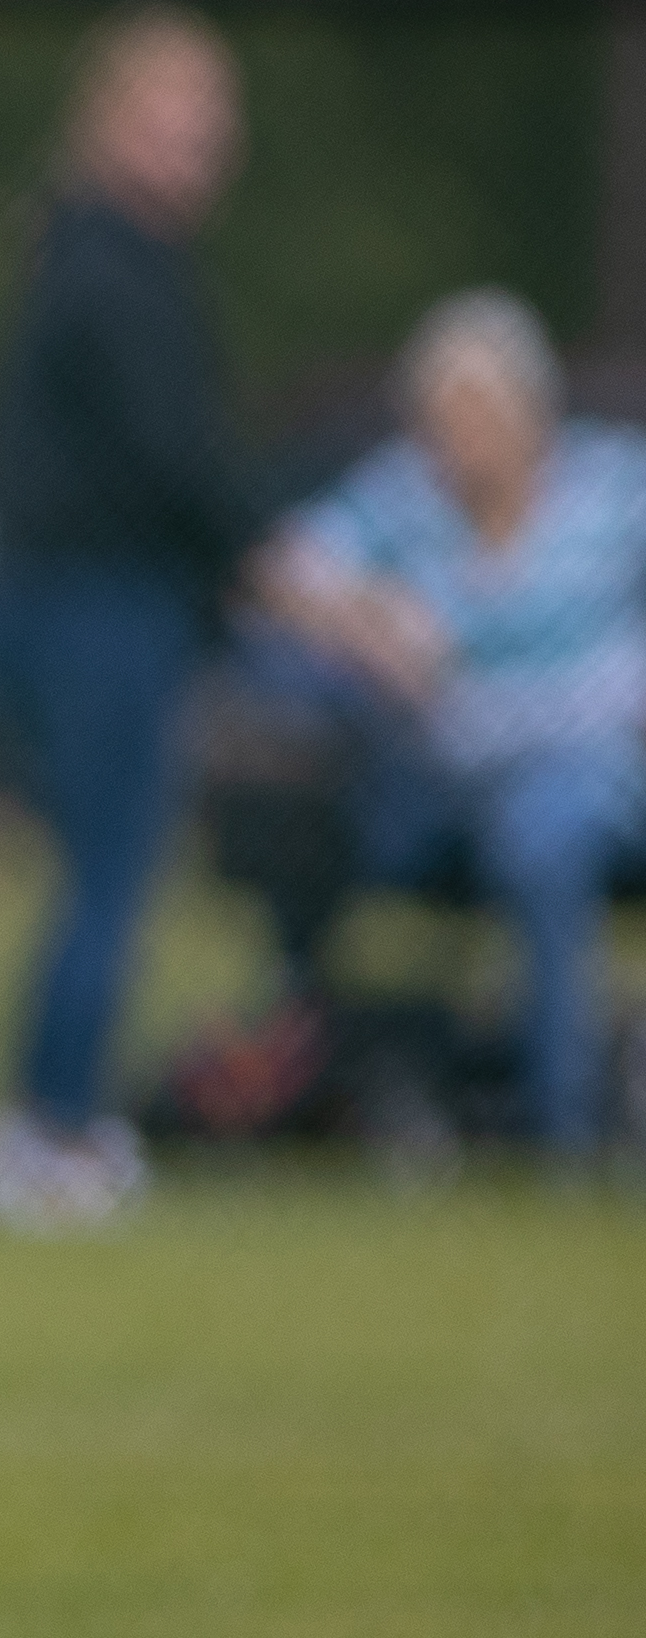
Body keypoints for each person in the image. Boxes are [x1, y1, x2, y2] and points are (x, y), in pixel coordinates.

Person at [0, 4, 266, 1232]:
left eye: (213, 123)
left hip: (88, 605)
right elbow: (178, 469)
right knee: (107, 873)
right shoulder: (107, 270)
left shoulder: (106, 260)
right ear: (110, 123)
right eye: (174, 118)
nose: (200, 145)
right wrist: (286, 573)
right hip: (95, 610)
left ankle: (42, 1116)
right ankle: (54, 1128)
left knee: (100, 875)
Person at [250, 290, 646, 1165]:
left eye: (474, 417)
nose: (456, 440)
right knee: (297, 819)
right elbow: (280, 572)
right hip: (440, 777)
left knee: (547, 834)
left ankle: (564, 1129)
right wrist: (368, 620)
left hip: (588, 766)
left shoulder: (613, 487)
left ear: (531, 413)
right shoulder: (407, 497)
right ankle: (288, 1078)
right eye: (439, 421)